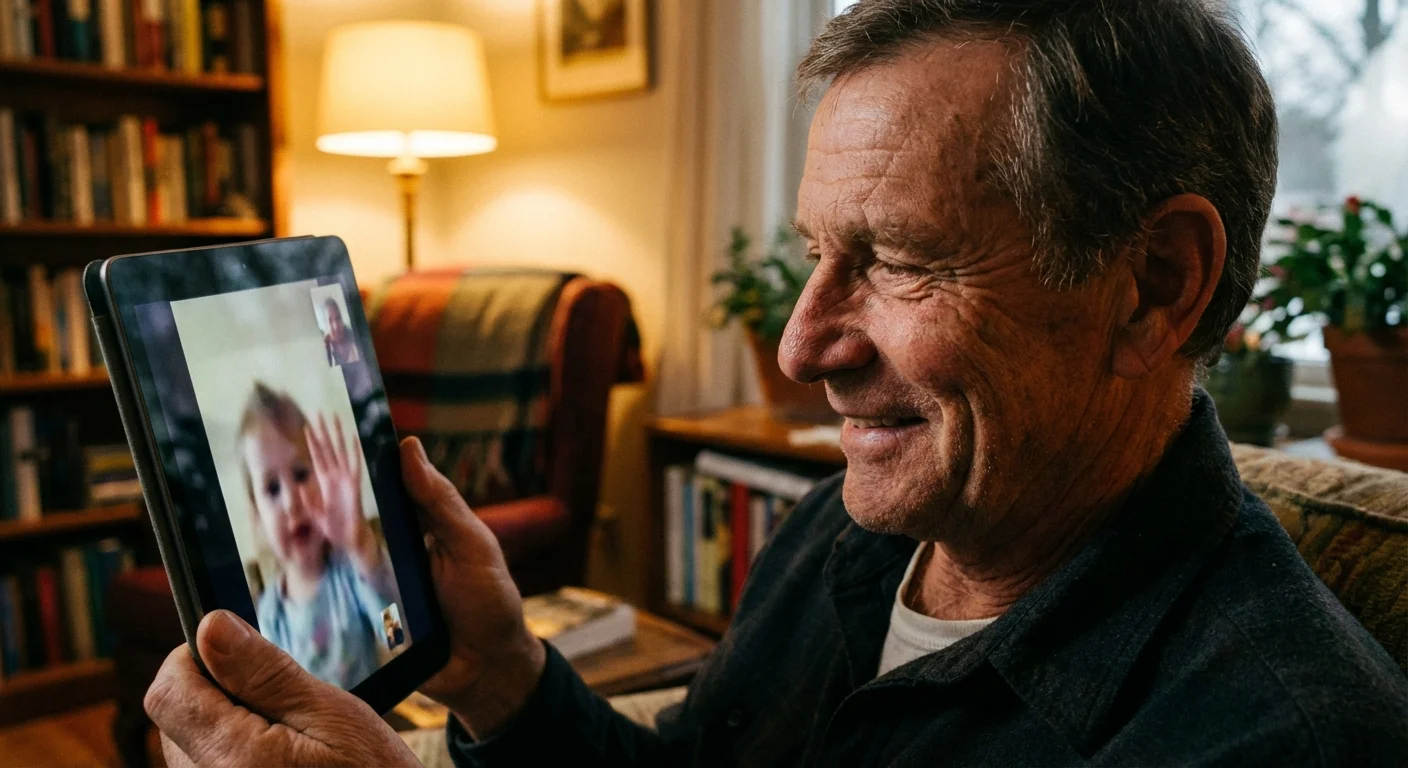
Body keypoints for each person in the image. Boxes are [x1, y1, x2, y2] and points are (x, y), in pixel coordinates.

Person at [146, 1, 1408, 765]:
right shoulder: (846, 533)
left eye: (900, 261)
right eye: (816, 254)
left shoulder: (1281, 736)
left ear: (1155, 285)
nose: (802, 346)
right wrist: (497, 676)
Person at [238, 382, 402, 690]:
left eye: (301, 474)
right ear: (257, 515)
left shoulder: (350, 574)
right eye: (272, 488)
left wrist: (362, 548)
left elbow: (396, 635)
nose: (291, 502)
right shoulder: (271, 614)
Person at [322, 297, 361, 367]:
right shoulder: (324, 348)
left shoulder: (355, 337)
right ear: (325, 325)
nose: (336, 326)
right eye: (330, 321)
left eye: (338, 318)